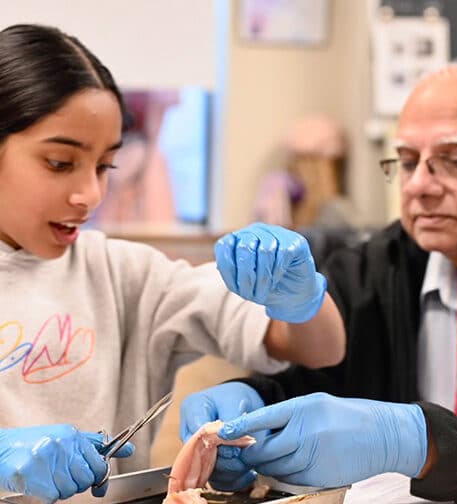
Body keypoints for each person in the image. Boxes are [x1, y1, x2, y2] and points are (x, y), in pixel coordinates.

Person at [0, 23, 346, 503]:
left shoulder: (124, 276)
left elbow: (320, 349)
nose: (90, 195)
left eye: (105, 166)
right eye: (60, 163)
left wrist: (301, 296)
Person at [180, 61, 457, 504]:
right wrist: (250, 406)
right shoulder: (377, 271)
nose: (419, 186)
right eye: (408, 162)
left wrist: (423, 443)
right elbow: (311, 384)